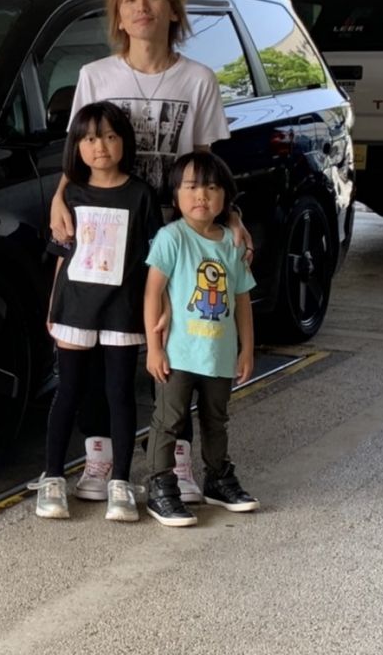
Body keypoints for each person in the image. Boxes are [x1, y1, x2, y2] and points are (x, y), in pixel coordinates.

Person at [48, 0, 250, 505]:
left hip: (175, 238)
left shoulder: (197, 79)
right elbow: (78, 158)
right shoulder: (95, 76)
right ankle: (100, 461)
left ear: (173, 8)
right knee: (99, 352)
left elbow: (203, 164)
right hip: (106, 240)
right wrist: (58, 201)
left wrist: (229, 216)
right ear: (117, 11)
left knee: (177, 350)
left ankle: (176, 462)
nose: (142, 7)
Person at [30, 102, 162, 521]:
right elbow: (61, 254)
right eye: (88, 138)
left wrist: (157, 312)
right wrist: (53, 304)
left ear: (124, 141)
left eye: (109, 136)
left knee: (120, 393)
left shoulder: (141, 195)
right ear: (77, 146)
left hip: (123, 311)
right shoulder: (69, 194)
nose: (99, 146)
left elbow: (155, 260)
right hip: (74, 309)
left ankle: (120, 481)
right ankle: (53, 477)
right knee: (68, 391)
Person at [142, 151, 260, 527]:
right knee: (168, 420)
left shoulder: (231, 243)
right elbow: (151, 294)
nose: (202, 196)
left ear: (226, 197)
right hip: (177, 353)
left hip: (218, 355)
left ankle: (218, 479)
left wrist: (246, 350)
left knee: (216, 419)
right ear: (175, 195)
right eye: (191, 187)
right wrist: (154, 348)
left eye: (212, 187)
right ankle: (160, 487)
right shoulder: (170, 238)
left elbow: (242, 300)